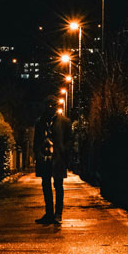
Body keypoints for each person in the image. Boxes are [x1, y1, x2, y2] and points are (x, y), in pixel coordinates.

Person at [33, 95, 72, 225]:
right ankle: (49, 213)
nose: (50, 108)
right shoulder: (40, 122)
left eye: (53, 105)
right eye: (48, 105)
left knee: (58, 186)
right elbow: (36, 141)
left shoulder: (65, 122)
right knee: (46, 186)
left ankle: (58, 214)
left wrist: (64, 152)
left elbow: (69, 140)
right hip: (44, 158)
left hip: (58, 159)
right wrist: (38, 154)